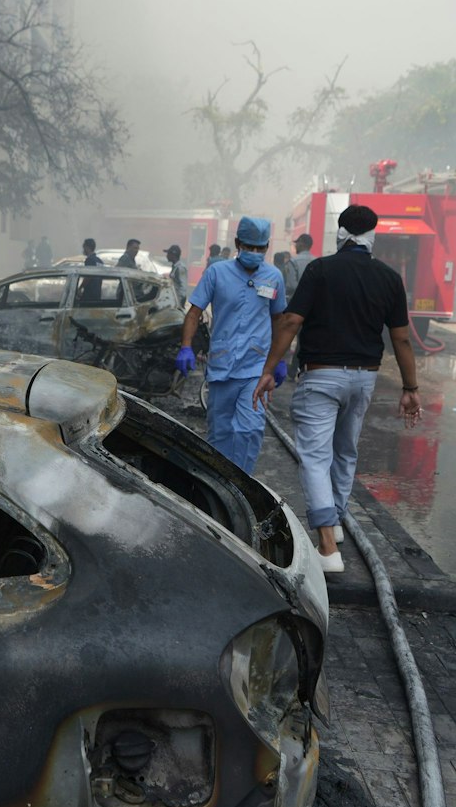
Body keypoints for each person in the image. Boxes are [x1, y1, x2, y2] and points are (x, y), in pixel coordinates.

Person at [252, 204, 420, 574]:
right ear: (372, 236)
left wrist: (269, 369)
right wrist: (411, 387)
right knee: (345, 452)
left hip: (322, 376)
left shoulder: (320, 270)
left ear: (340, 234)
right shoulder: (389, 278)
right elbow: (402, 340)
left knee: (314, 456)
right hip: (364, 379)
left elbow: (292, 320)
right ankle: (337, 523)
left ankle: (328, 547)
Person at [177, 216, 286, 473]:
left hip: (256, 368)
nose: (255, 253)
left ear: (267, 247)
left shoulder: (274, 277)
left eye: (260, 248)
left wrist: (280, 359)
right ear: (238, 243)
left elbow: (280, 320)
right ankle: (218, 488)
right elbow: (194, 313)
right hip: (222, 366)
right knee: (220, 433)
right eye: (250, 246)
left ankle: (243, 487)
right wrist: (185, 346)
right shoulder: (217, 272)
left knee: (250, 429)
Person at [79, 237, 105, 302]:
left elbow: (88, 276)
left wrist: (80, 288)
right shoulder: (100, 261)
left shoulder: (89, 260)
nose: (83, 250)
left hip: (89, 294)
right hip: (97, 293)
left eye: (84, 247)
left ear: (87, 247)